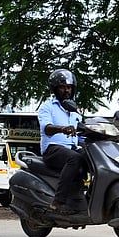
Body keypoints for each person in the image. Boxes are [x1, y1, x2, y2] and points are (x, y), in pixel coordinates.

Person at [38, 68, 85, 214]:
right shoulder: (47, 107)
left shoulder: (76, 110)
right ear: (55, 89)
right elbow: (47, 128)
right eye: (62, 87)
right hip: (52, 149)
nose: (66, 91)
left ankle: (83, 197)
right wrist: (62, 129)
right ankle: (57, 202)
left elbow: (82, 131)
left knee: (92, 156)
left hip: (72, 147)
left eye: (69, 87)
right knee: (74, 159)